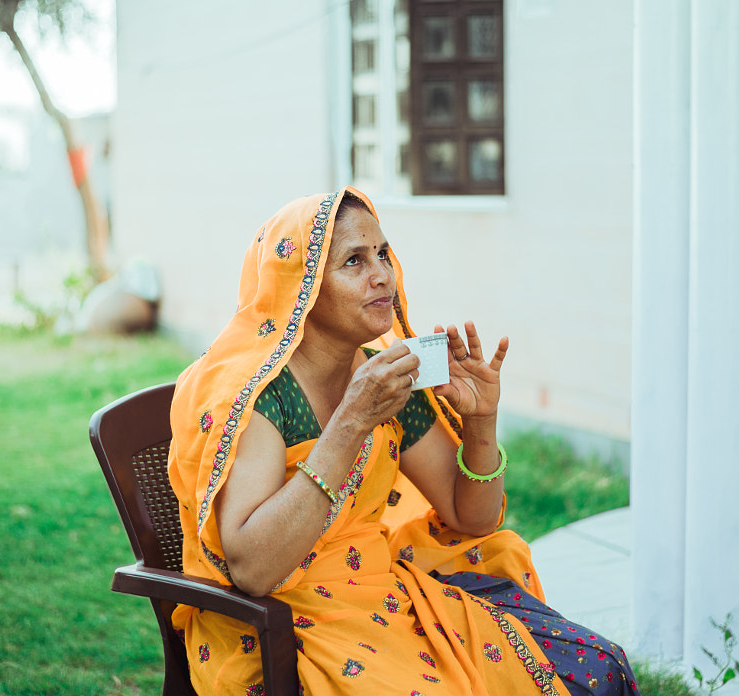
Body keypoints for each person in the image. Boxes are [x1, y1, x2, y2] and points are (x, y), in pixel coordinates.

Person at [167, 187, 641, 696]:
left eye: (383, 254)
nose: (382, 275)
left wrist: (481, 423)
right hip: (283, 620)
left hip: (380, 591)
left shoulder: (381, 375)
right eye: (354, 260)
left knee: (599, 668)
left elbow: (471, 517)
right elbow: (254, 569)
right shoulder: (261, 396)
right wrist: (350, 423)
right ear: (300, 289)